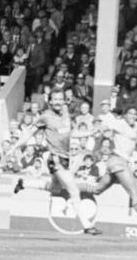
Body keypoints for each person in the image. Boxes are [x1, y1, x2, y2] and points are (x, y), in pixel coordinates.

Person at [9, 91, 102, 235]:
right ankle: (87, 225)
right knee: (74, 190)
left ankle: (24, 184)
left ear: (64, 101)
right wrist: (15, 146)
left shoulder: (65, 116)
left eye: (61, 99)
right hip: (55, 159)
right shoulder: (45, 117)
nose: (58, 102)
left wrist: (89, 133)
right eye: (55, 99)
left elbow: (70, 134)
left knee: (55, 189)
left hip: (65, 159)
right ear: (50, 101)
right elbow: (28, 133)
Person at [84, 103, 137, 236]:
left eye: (134, 114)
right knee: (134, 194)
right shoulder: (119, 123)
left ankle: (70, 188)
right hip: (119, 162)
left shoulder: (130, 128)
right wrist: (100, 130)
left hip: (116, 162)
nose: (133, 116)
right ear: (125, 115)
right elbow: (106, 126)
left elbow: (134, 141)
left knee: (97, 190)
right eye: (130, 113)